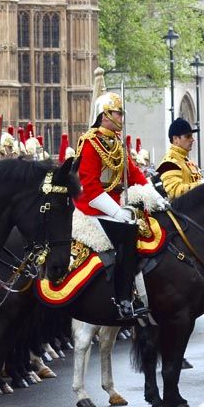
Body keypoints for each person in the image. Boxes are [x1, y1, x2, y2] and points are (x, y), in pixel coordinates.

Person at [74, 67, 165, 323]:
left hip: (114, 203)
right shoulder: (90, 142)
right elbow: (90, 186)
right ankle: (124, 298)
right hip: (92, 207)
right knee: (127, 235)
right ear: (105, 115)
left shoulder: (116, 142)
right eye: (117, 112)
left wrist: (155, 197)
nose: (121, 116)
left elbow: (134, 174)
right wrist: (115, 211)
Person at [156, 117, 202, 200]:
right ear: (175, 139)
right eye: (188, 136)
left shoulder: (186, 160)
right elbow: (175, 191)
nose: (192, 139)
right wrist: (202, 184)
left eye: (191, 136)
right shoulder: (168, 163)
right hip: (182, 212)